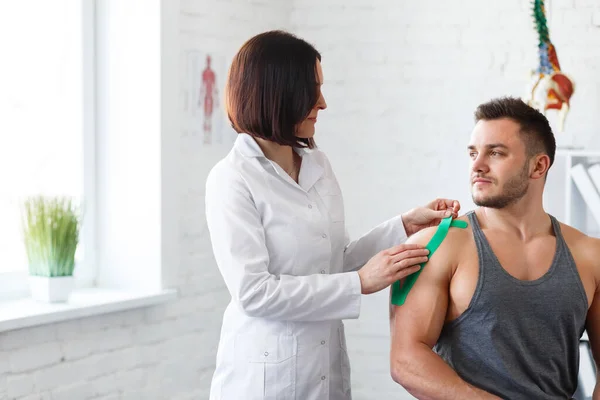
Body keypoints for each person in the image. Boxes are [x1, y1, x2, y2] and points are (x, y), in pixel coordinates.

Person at [205, 30, 461, 400]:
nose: (322, 103)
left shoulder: (317, 164)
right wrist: (359, 283)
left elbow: (333, 260)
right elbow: (253, 293)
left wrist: (404, 225)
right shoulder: (231, 179)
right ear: (276, 92)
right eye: (312, 89)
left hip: (325, 370)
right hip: (264, 380)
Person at [389, 97, 600, 400]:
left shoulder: (590, 255)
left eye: (496, 153)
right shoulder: (435, 245)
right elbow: (405, 361)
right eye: (473, 153)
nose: (477, 165)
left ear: (538, 166)